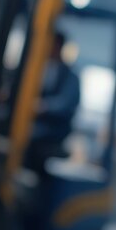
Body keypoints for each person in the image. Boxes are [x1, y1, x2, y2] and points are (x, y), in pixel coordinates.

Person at [23, 31, 81, 175]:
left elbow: (66, 104)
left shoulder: (70, 77)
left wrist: (44, 106)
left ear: (59, 47)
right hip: (32, 124)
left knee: (30, 142)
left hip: (53, 130)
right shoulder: (36, 68)